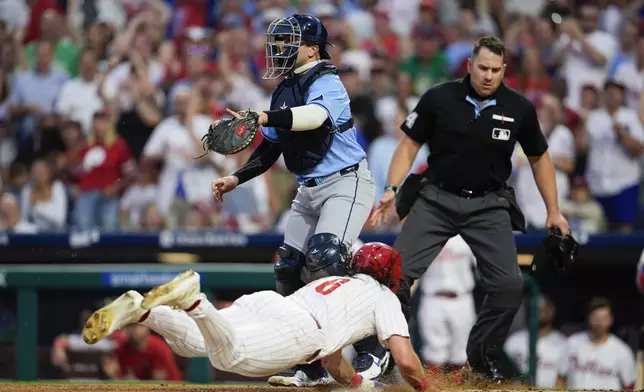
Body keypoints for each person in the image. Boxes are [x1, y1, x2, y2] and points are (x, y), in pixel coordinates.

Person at [369, 36, 570, 382]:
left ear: (504, 70)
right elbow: (408, 145)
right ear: (469, 66)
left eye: (496, 69)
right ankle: (387, 354)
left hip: (489, 204)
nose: (489, 76)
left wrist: (554, 210)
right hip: (436, 199)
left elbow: (539, 158)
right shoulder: (439, 98)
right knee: (394, 276)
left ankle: (481, 355)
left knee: (509, 284)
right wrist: (391, 187)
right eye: (483, 68)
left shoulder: (519, 107)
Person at [209, 13, 380, 386]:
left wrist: (265, 116)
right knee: (288, 269)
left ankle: (374, 345)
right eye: (278, 41)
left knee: (326, 257)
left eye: (289, 42)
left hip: (345, 182)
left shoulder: (328, 81)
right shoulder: (284, 88)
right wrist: (236, 177)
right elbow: (271, 148)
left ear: (312, 48)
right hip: (309, 188)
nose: (280, 48)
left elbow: (315, 118)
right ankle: (310, 364)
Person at [81, 239, 429, 391]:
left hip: (273, 305)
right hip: (299, 330)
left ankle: (142, 312)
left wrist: (357, 383)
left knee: (189, 344)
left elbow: (334, 360)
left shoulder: (337, 281)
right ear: (388, 275)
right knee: (230, 356)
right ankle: (194, 302)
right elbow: (405, 360)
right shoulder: (385, 297)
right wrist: (424, 387)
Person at [556, 297, 636, 390]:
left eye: (604, 318)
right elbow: (561, 378)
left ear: (611, 320)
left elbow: (629, 386)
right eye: (595, 318)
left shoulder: (622, 351)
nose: (599, 323)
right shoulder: (573, 343)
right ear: (588, 318)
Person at [504, 296, 566, 388]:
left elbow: (562, 380)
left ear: (552, 311)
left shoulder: (562, 343)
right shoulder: (514, 340)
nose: (540, 310)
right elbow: (503, 374)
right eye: (537, 307)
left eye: (544, 307)